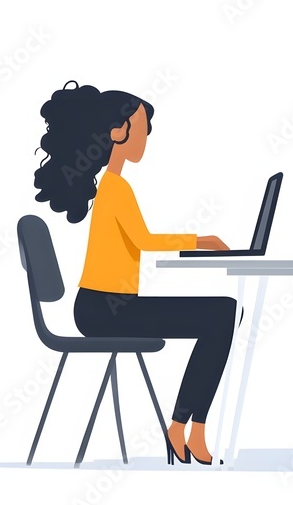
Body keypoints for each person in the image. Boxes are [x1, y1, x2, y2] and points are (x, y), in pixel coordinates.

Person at [33, 81, 236, 465]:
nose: (146, 137)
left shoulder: (113, 186)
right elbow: (143, 240)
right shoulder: (114, 188)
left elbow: (137, 243)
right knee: (222, 313)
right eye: (141, 127)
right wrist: (202, 240)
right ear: (119, 131)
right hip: (105, 310)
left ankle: (185, 428)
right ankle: (185, 429)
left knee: (222, 312)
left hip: (106, 306)